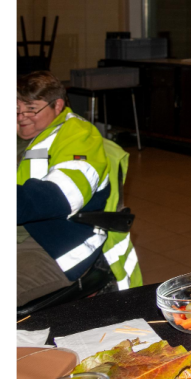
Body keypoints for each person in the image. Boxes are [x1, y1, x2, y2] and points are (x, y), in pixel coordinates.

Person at [16, 71, 141, 307]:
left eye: (31, 108)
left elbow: (60, 196)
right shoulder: (23, 135)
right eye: (17, 108)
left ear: (57, 105)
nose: (22, 116)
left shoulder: (79, 137)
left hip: (56, 244)